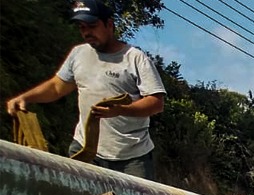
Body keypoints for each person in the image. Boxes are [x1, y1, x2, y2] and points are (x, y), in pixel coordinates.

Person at [6, 0, 166, 180]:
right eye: (82, 27)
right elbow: (57, 87)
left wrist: (121, 110)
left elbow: (156, 102)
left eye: (92, 26)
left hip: (132, 157)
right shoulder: (78, 54)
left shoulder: (135, 58)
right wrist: (25, 98)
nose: (87, 33)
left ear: (110, 25)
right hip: (85, 150)